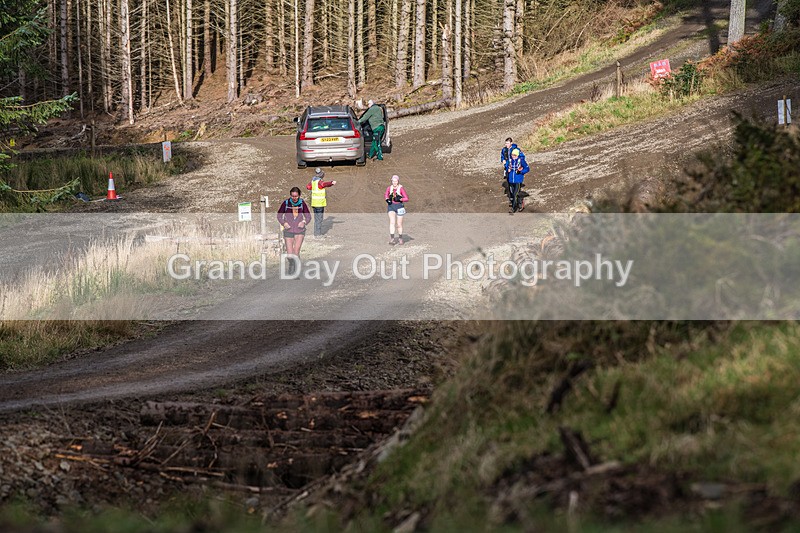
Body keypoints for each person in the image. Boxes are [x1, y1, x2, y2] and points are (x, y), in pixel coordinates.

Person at [277, 187, 311, 270]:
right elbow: (279, 216)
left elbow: (308, 217)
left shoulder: (302, 203)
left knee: (296, 252)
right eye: (292, 196)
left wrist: (304, 222)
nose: (294, 198)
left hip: (299, 230)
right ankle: (292, 264)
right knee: (289, 255)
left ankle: (295, 270)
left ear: (299, 195)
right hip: (288, 230)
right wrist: (284, 223)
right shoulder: (286, 203)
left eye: (296, 196)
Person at [305, 167, 337, 237]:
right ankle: (318, 235)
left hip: (314, 203)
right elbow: (324, 184)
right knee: (319, 219)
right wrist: (331, 183)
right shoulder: (319, 182)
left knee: (316, 219)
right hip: (319, 204)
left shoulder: (313, 181)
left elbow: (308, 187)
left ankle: (316, 233)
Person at [385, 174, 409, 245]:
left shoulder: (401, 189)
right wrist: (387, 199)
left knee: (399, 224)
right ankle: (392, 238)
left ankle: (400, 238)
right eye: (393, 181)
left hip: (399, 206)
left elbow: (406, 198)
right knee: (392, 222)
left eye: (396, 181)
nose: (394, 182)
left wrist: (400, 199)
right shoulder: (389, 188)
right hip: (391, 206)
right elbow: (386, 195)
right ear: (391, 181)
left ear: (398, 181)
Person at [507, 148, 529, 214]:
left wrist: (521, 172)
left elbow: (527, 168)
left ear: (517, 155)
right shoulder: (510, 160)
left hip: (518, 180)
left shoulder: (521, 161)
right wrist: (508, 169)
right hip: (511, 180)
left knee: (515, 194)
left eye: (514, 155)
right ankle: (520, 203)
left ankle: (513, 208)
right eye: (512, 155)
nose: (513, 156)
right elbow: (507, 166)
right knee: (514, 193)